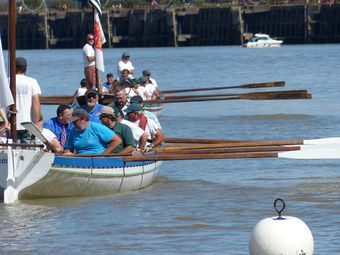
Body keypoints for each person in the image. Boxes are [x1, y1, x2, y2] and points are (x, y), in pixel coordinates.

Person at [16, 57, 41, 144]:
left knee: (12, 151)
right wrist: (37, 123)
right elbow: (36, 103)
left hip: (12, 124)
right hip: (28, 124)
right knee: (28, 151)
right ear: (26, 68)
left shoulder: (8, 81)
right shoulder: (32, 81)